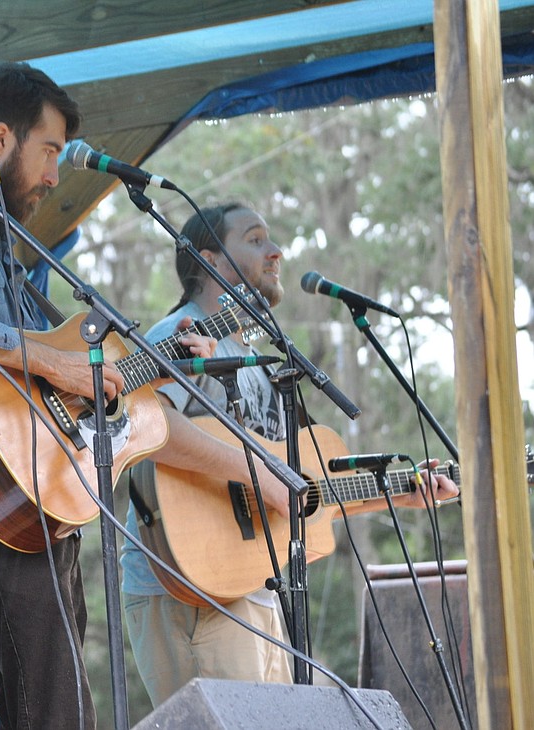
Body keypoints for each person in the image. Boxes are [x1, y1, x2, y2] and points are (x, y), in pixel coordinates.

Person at [0, 62, 213, 729]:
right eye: (49, 151)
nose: (55, 174)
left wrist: (163, 358)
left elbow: (65, 385)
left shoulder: (11, 250)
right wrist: (55, 364)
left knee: (54, 707)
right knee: (54, 710)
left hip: (38, 502)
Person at [119, 202, 461, 706]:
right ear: (208, 259)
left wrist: (404, 494)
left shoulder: (259, 360)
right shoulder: (179, 336)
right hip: (190, 588)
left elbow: (299, 493)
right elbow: (146, 427)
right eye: (255, 240)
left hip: (253, 584)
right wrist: (262, 473)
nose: (275, 252)